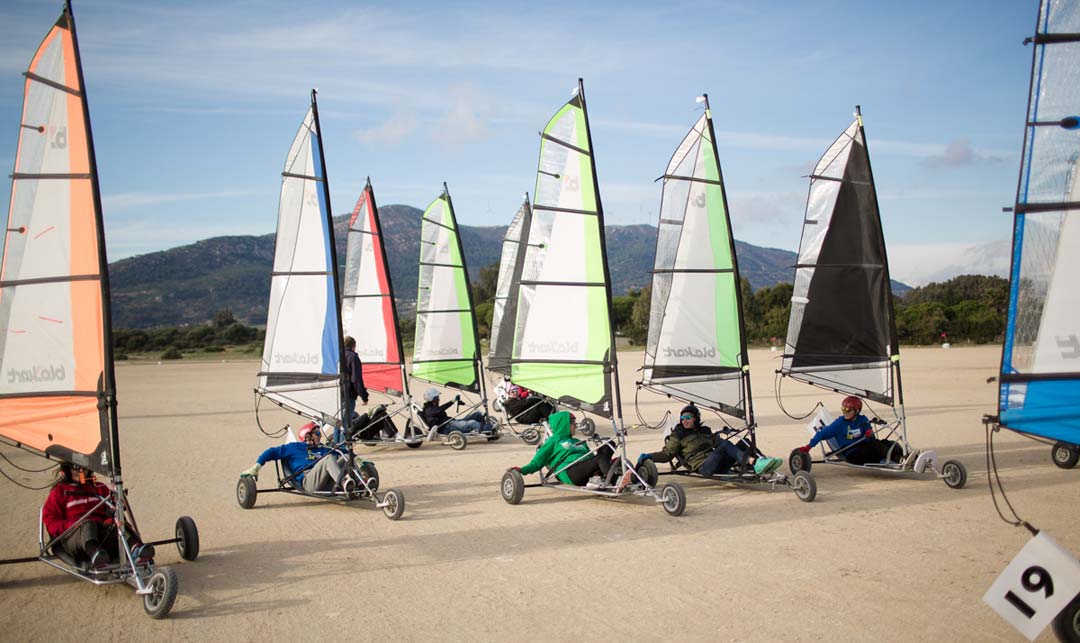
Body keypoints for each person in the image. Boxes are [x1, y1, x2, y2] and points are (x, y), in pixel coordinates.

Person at [42, 463, 153, 568]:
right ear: (67, 469)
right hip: (74, 536)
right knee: (88, 523)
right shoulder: (60, 491)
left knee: (118, 522)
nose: (81, 471)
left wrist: (113, 514)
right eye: (76, 468)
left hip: (101, 534)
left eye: (84, 468)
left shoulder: (99, 488)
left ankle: (137, 549)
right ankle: (95, 554)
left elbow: (112, 509)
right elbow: (50, 521)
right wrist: (72, 525)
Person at [636, 404, 782, 477]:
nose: (684, 420)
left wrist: (723, 434)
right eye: (683, 418)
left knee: (745, 442)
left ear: (696, 419)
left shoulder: (704, 430)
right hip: (704, 467)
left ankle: (763, 462)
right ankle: (755, 463)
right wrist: (649, 456)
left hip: (717, 462)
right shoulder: (678, 434)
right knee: (725, 445)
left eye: (688, 417)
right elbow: (667, 454)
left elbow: (717, 443)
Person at [506, 410, 628, 488]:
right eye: (572, 423)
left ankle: (630, 478)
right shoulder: (553, 441)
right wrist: (522, 470)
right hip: (570, 472)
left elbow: (590, 457)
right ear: (563, 424)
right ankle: (616, 481)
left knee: (609, 445)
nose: (576, 425)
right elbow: (537, 462)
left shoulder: (577, 441)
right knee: (600, 458)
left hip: (586, 469)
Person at [796, 396, 915, 467]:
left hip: (865, 447)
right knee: (875, 447)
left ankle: (911, 458)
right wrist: (808, 447)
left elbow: (871, 437)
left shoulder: (862, 420)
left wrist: (868, 432)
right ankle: (899, 460)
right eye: (843, 409)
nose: (845, 412)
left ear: (857, 411)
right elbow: (822, 433)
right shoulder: (839, 423)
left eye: (848, 410)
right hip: (852, 454)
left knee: (887, 443)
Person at [240, 422, 355, 493]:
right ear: (308, 436)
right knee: (329, 458)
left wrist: (357, 459)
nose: (320, 436)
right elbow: (271, 452)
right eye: (317, 434)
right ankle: (344, 482)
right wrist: (256, 467)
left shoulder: (322, 448)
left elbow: (344, 453)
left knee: (346, 456)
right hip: (308, 482)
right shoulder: (294, 447)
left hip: (327, 481)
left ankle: (360, 482)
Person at [335, 336, 369, 446]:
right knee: (345, 422)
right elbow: (356, 379)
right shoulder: (353, 357)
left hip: (336, 392)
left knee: (338, 421)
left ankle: (336, 444)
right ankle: (343, 447)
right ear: (353, 345)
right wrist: (364, 396)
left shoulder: (337, 356)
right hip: (348, 393)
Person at [421, 388, 495, 435]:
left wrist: (454, 401)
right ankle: (489, 429)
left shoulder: (433, 407)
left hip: (452, 422)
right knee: (471, 423)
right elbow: (440, 409)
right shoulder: (428, 410)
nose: (439, 399)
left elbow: (439, 409)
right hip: (447, 427)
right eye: (437, 397)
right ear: (433, 398)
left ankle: (484, 428)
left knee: (477, 414)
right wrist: (452, 401)